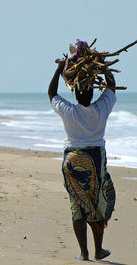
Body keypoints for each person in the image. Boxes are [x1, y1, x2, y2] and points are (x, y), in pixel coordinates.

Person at [48, 60, 117, 261]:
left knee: (77, 203)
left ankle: (84, 253)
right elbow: (111, 88)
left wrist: (59, 69)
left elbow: (52, 93)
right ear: (93, 93)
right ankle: (98, 250)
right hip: (95, 160)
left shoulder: (69, 111)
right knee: (98, 202)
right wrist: (103, 67)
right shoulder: (101, 109)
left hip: (72, 159)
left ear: (76, 94)